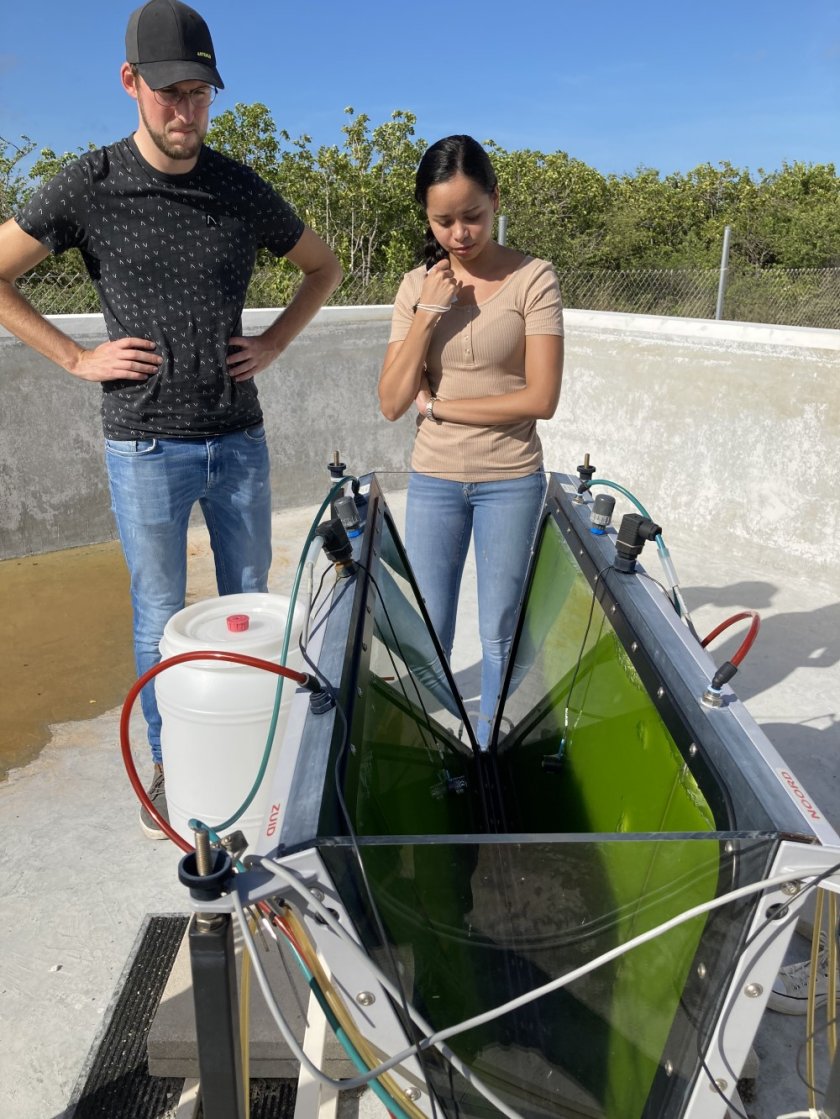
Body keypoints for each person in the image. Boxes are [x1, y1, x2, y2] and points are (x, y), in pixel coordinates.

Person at [0, 0, 342, 838]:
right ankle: (172, 761)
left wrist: (272, 342)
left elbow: (323, 266)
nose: (185, 110)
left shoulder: (235, 184)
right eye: (169, 92)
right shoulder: (92, 182)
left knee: (248, 606)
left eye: (199, 92)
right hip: (144, 443)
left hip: (239, 437)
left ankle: (255, 754)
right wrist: (78, 358)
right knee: (157, 613)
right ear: (130, 84)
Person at [378, 135, 564, 750]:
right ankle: (438, 745)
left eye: (472, 216)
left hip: (510, 477)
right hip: (433, 478)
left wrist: (445, 408)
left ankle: (491, 746)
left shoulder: (533, 279)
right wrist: (430, 311)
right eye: (443, 220)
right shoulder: (416, 287)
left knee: (502, 630)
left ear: (495, 201)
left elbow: (541, 398)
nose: (459, 233)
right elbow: (392, 402)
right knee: (428, 628)